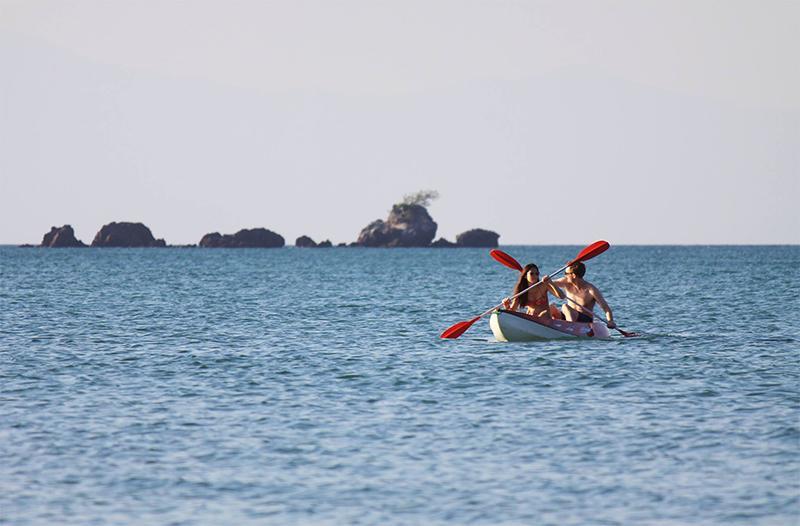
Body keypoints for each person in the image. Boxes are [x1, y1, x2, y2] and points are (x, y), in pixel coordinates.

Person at [551, 261, 616, 328]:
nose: (565, 276)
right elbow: (549, 284)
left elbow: (606, 308)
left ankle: (571, 328)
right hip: (568, 316)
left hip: (584, 320)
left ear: (573, 275)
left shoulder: (591, 290)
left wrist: (610, 321)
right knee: (551, 308)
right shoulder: (565, 282)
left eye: (566, 273)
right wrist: (546, 280)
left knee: (565, 307)